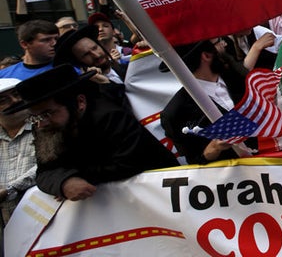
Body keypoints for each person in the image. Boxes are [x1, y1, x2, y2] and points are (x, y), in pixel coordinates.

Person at [4, 65, 178, 201]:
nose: (41, 123)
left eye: (48, 113)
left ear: (79, 102)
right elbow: (45, 171)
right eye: (35, 117)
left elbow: (128, 163)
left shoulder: (109, 115)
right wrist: (63, 182)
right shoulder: (44, 126)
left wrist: (75, 176)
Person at [160, 39, 249, 164]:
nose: (224, 44)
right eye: (218, 43)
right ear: (206, 55)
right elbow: (195, 163)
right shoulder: (175, 113)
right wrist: (212, 149)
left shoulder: (239, 77)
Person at [0, 78, 36, 256]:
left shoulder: (44, 125)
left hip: (41, 222)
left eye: (16, 94)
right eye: (3, 100)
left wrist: (8, 190)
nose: (15, 101)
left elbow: (46, 166)